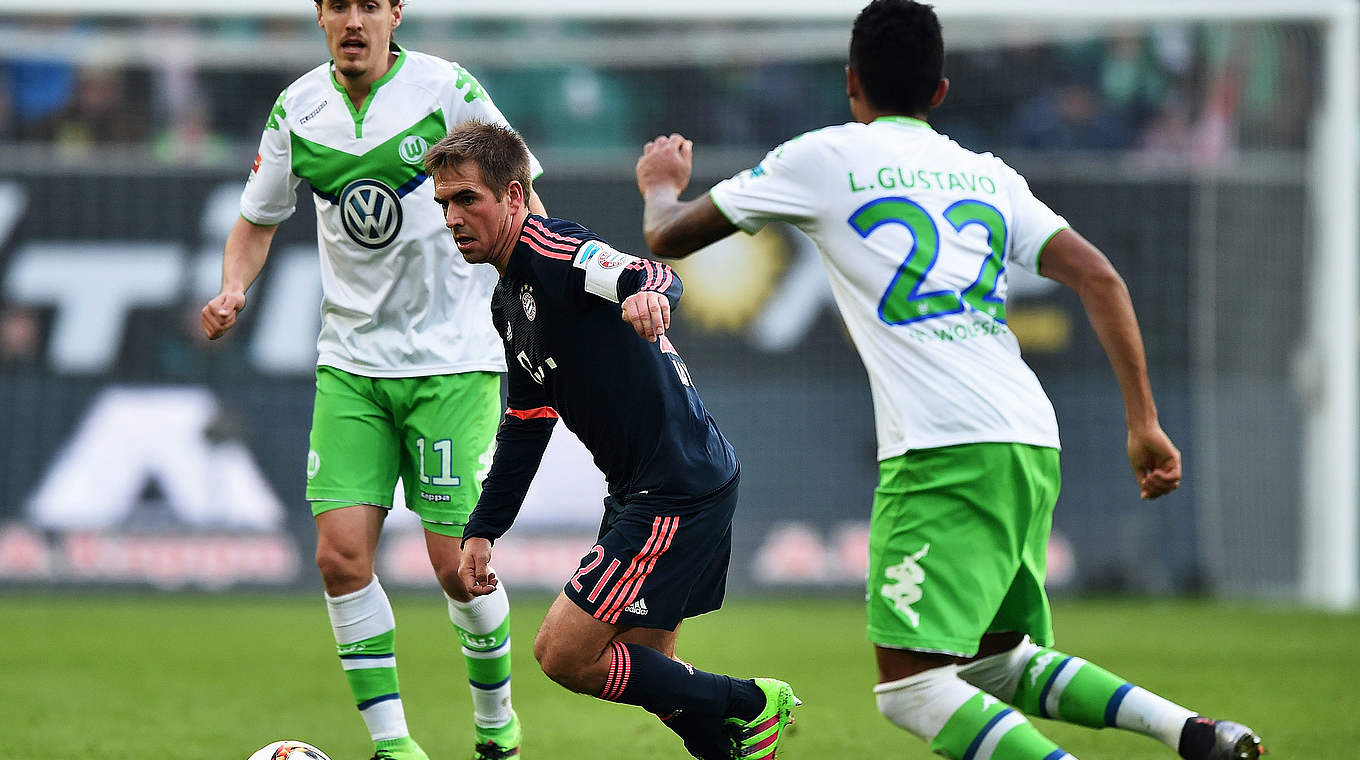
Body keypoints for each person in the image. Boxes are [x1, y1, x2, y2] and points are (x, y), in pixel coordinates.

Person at [633, 2, 1264, 759]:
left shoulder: (822, 157)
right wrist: (1144, 424)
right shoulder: (988, 174)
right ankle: (1196, 734)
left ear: (850, 82)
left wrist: (659, 184)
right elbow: (1101, 277)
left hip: (942, 448)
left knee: (910, 689)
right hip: (1029, 438)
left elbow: (668, 236)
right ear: (939, 91)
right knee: (997, 664)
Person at [199, 3, 545, 759]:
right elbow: (257, 220)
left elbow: (521, 192)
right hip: (352, 364)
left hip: (454, 361)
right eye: (338, 6)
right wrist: (234, 288)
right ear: (320, 16)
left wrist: (539, 289)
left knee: (460, 568)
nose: (353, 20)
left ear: (395, 13)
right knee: (339, 557)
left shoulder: (446, 88)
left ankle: (497, 730)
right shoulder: (299, 106)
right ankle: (394, 747)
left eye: (368, 5)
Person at [425, 120, 798, 760]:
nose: (453, 217)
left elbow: (646, 274)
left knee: (563, 654)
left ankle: (753, 704)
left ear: (514, 196)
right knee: (653, 675)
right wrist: (484, 529)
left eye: (468, 199)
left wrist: (650, 296)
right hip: (656, 484)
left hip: (674, 487)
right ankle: (732, 751)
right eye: (444, 205)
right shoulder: (508, 297)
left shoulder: (554, 249)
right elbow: (527, 418)